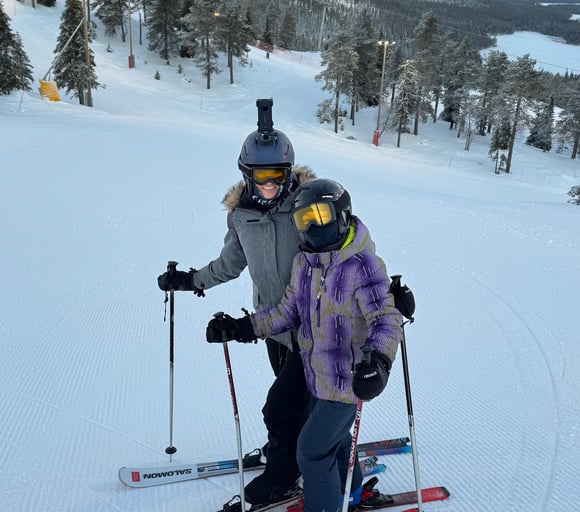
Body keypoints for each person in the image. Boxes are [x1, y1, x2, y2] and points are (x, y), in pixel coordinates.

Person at [206, 178, 404, 512]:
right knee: (336, 442)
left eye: (319, 215)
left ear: (340, 215)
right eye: (303, 219)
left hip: (346, 381)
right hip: (315, 377)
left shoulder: (361, 264)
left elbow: (385, 317)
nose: (312, 225)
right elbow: (285, 313)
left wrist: (379, 362)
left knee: (312, 450)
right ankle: (349, 493)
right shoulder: (305, 263)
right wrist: (241, 326)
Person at [157, 99, 316, 508]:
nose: (269, 186)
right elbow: (231, 262)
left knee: (284, 404)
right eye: (261, 177)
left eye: (277, 177)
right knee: (290, 399)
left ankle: (287, 472)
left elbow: (344, 255)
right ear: (246, 174)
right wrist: (191, 280)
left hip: (316, 327)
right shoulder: (242, 216)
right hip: (272, 327)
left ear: (288, 173)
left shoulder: (308, 207)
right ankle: (292, 448)